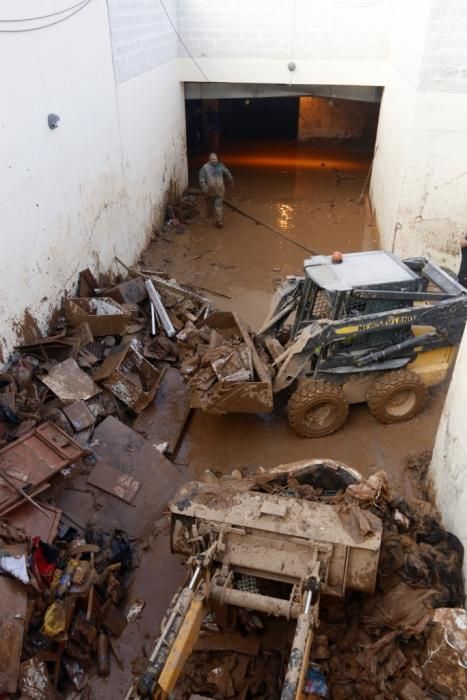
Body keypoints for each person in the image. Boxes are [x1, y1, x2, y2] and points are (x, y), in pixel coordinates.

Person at [199, 153, 234, 228]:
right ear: (209, 159)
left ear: (217, 159)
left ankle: (219, 221)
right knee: (209, 204)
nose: (214, 161)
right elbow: (201, 177)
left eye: (215, 159)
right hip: (210, 190)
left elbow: (227, 172)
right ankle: (209, 215)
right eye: (213, 159)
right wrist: (204, 187)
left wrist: (230, 179)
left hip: (220, 189)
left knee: (218, 205)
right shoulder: (205, 167)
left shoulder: (221, 165)